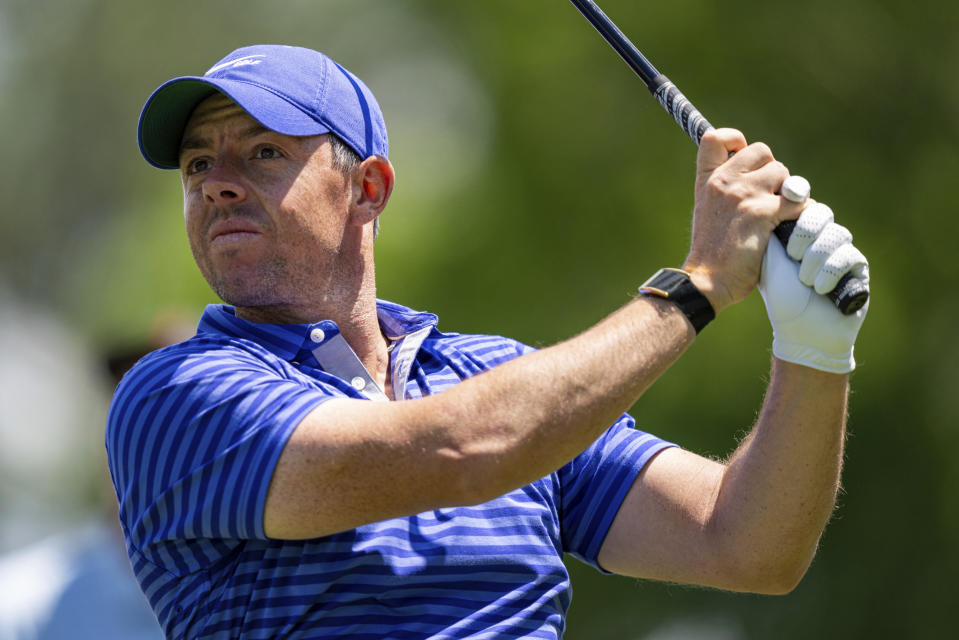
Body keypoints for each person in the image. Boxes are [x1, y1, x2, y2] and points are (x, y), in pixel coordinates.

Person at [107, 44, 869, 639]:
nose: (217, 182)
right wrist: (696, 286)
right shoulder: (176, 394)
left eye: (261, 152)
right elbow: (464, 450)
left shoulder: (493, 372)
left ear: (366, 190)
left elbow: (744, 544)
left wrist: (812, 353)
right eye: (198, 163)